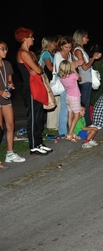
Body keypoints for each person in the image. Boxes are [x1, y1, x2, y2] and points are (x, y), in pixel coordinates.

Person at [15, 27, 53, 155]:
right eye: (31, 36)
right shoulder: (23, 53)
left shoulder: (30, 53)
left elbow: (40, 69)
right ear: (25, 38)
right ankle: (33, 146)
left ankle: (39, 143)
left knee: (39, 117)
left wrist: (37, 68)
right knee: (32, 117)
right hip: (30, 89)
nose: (33, 39)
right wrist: (37, 69)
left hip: (36, 87)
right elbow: (38, 70)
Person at [0, 41, 25, 167]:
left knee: (10, 125)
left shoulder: (7, 64)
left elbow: (9, 80)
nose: (5, 51)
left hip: (6, 98)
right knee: (0, 128)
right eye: (2, 49)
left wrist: (11, 84)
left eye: (6, 49)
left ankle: (10, 153)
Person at [72, 29, 102, 126]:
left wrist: (93, 58)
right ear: (81, 37)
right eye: (86, 37)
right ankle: (86, 123)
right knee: (85, 102)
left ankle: (86, 122)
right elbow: (84, 67)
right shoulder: (78, 50)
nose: (88, 39)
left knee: (86, 102)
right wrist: (93, 58)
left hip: (87, 78)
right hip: (85, 79)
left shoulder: (81, 50)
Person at [58, 59, 82, 142]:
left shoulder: (61, 77)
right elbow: (80, 79)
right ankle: (69, 133)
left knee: (70, 115)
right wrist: (74, 69)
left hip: (68, 96)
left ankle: (72, 134)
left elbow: (65, 87)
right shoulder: (72, 76)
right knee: (76, 116)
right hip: (75, 97)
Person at [39, 36, 59, 131]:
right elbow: (50, 68)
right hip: (48, 80)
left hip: (53, 79)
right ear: (49, 43)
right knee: (52, 101)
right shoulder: (46, 54)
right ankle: (51, 125)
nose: (56, 44)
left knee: (57, 101)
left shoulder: (53, 53)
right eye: (54, 42)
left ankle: (56, 123)